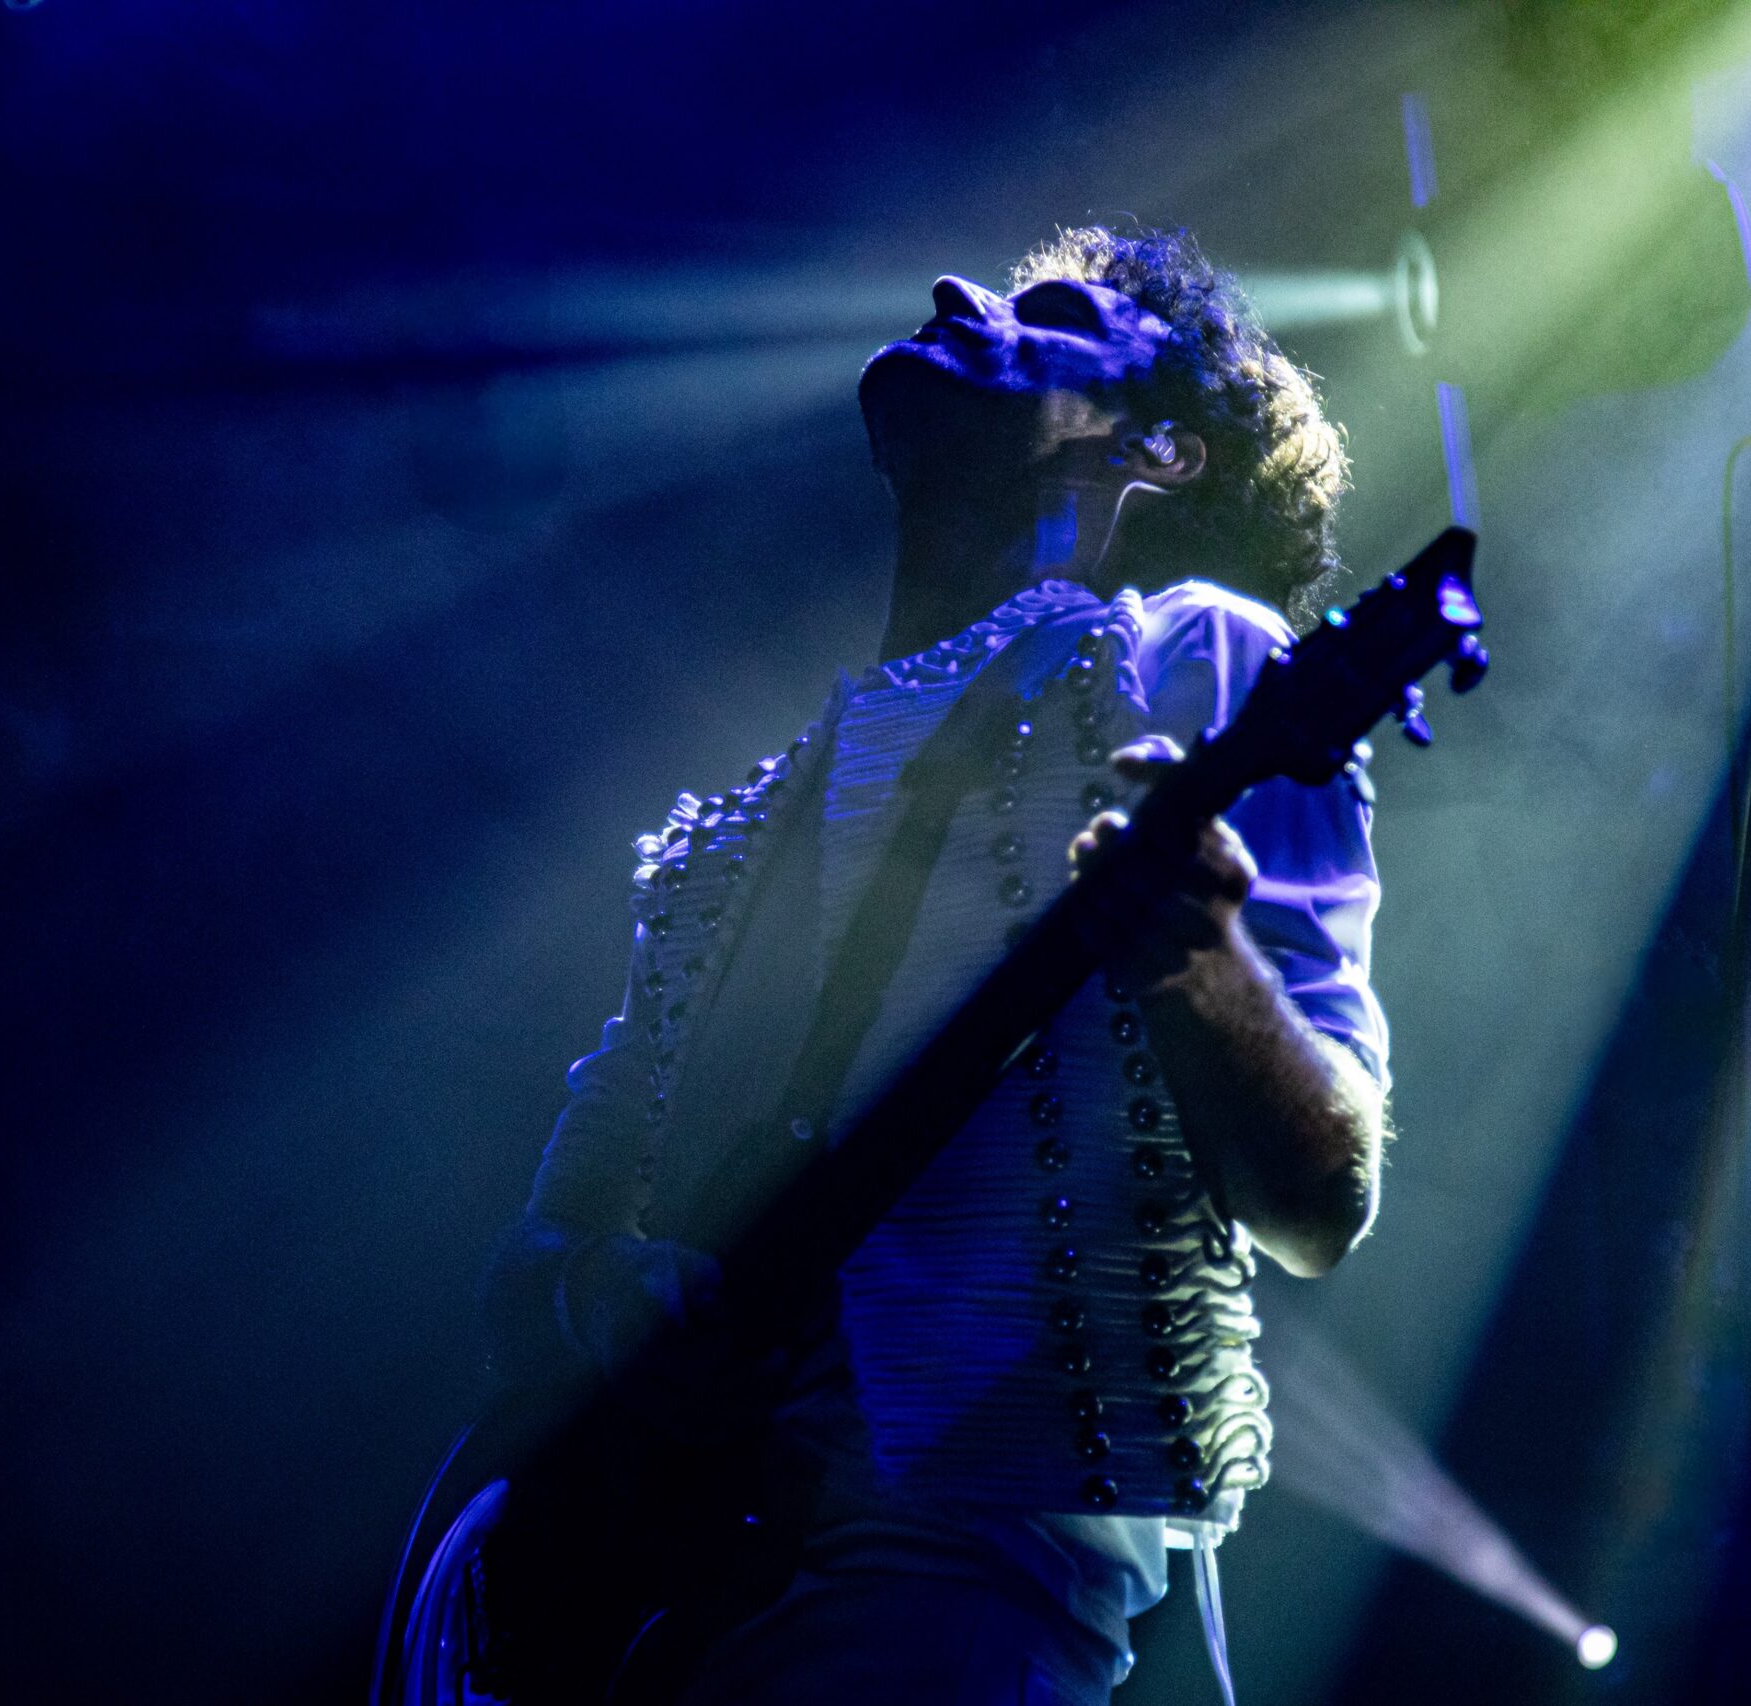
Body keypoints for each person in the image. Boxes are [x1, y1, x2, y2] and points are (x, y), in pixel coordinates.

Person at [479, 226, 1390, 1705]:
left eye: (1046, 313)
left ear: (1159, 453)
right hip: (681, 1603)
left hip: (969, 1595)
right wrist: (607, 1297)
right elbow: (522, 1270)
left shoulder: (1195, 661)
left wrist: (1207, 963)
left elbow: (1322, 1200)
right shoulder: (741, 823)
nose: (959, 296)